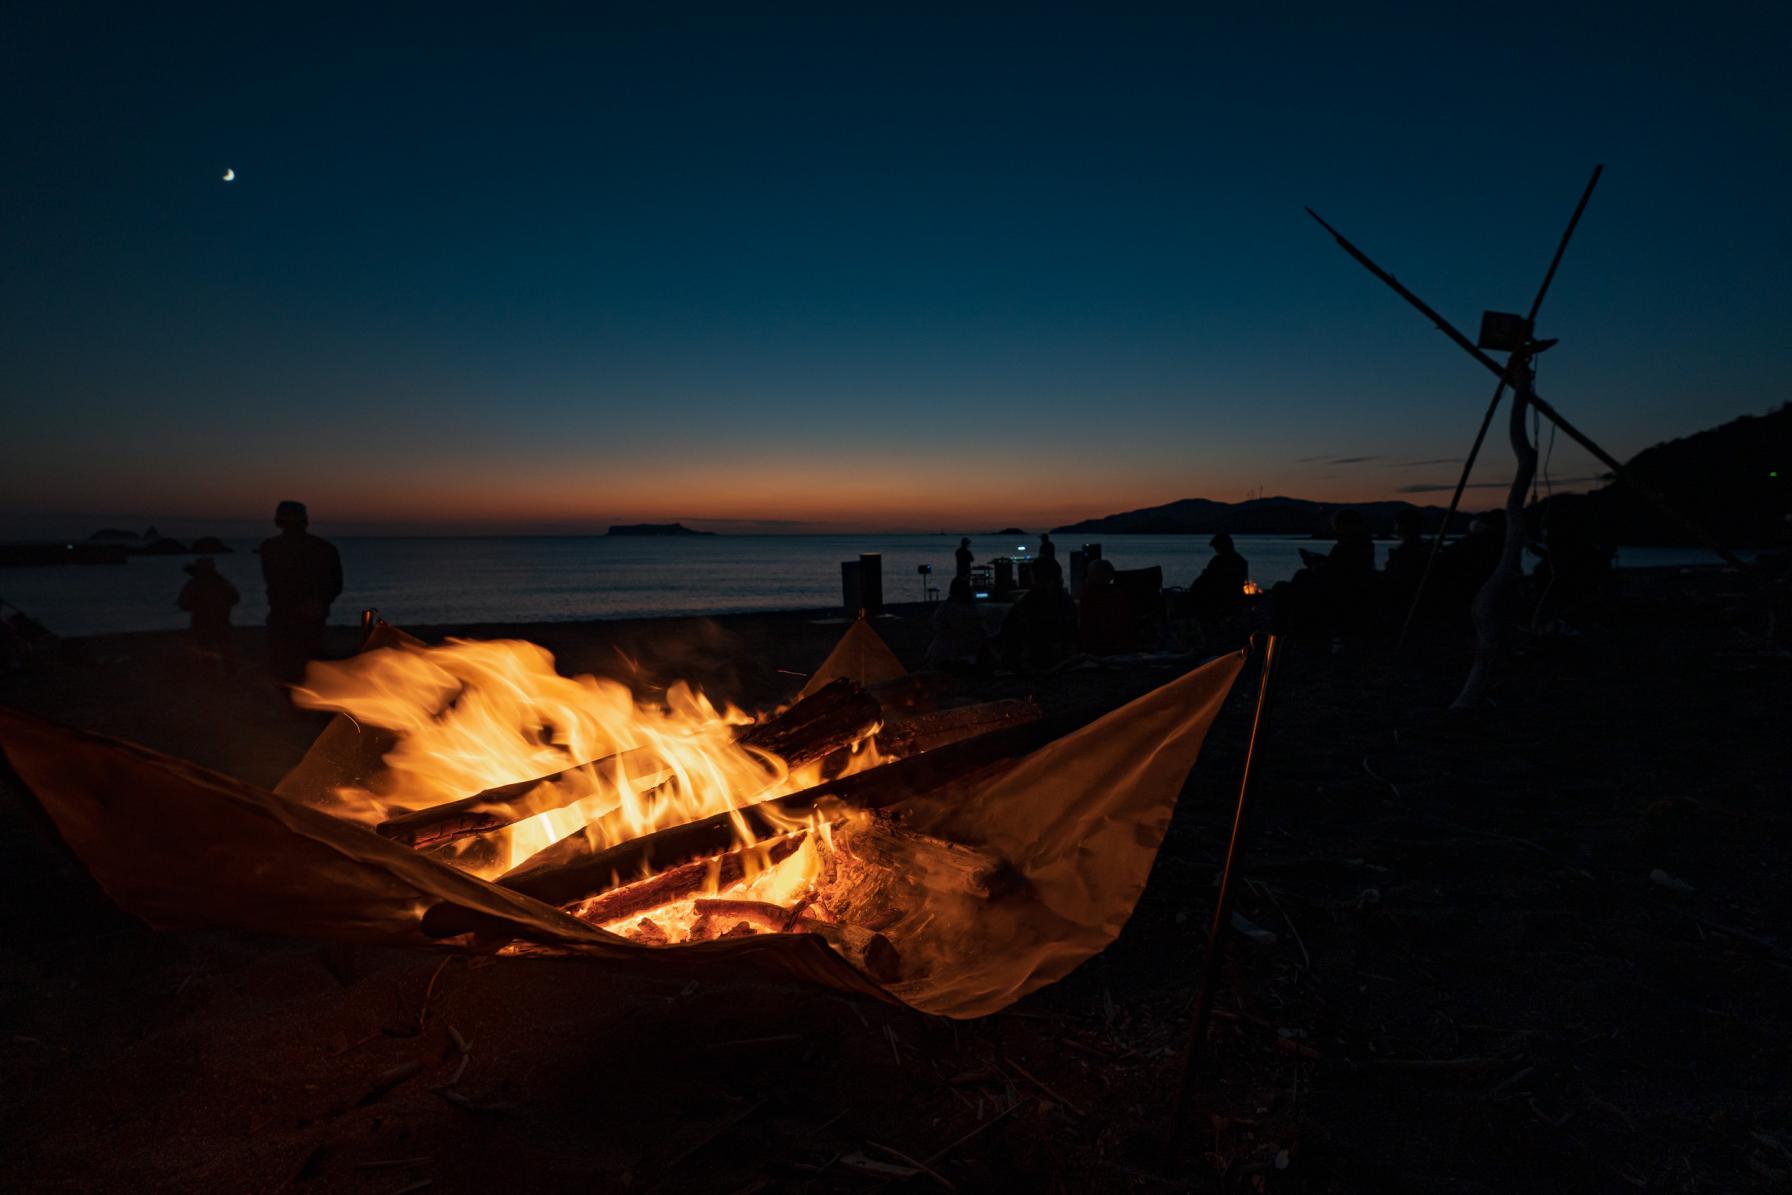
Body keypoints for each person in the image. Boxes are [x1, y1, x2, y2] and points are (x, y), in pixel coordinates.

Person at [261, 500, 343, 685]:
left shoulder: (270, 548)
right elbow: (335, 584)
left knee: (290, 666)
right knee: (303, 664)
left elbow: (275, 582)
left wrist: (316, 603)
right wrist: (319, 602)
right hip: (300, 615)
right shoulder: (324, 549)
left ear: (278, 522)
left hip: (293, 615)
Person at [178, 556, 239, 669]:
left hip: (202, 621)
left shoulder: (194, 584)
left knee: (206, 647)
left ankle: (213, 672)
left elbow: (183, 603)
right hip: (221, 619)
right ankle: (230, 670)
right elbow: (235, 598)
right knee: (224, 646)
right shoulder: (222, 582)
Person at [923, 576, 989, 670]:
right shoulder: (974, 610)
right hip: (971, 653)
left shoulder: (945, 609)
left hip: (950, 654)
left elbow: (938, 627)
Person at [1189, 532, 1249, 625]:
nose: (1216, 550)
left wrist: (1193, 590)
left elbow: (1204, 578)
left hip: (1219, 600)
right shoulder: (1241, 561)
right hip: (1235, 599)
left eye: (1216, 547)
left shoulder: (1218, 561)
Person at [1078, 558, 1133, 654]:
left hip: (1097, 648)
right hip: (1118, 646)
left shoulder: (1088, 595)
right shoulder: (1118, 594)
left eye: (1090, 574)